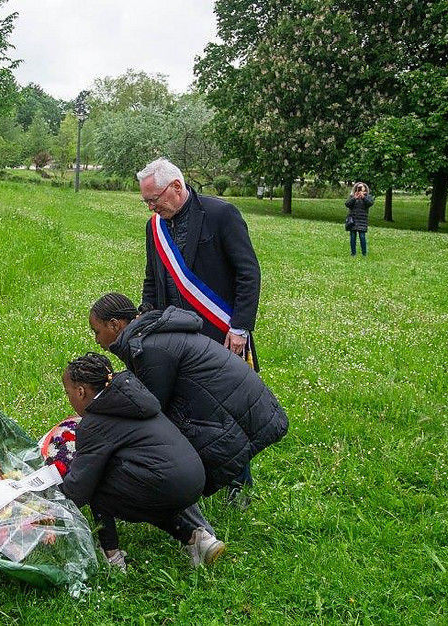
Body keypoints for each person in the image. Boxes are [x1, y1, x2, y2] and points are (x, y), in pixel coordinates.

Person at [87, 293, 289, 505]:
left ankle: (237, 492)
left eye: (97, 332)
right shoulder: (147, 335)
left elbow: (150, 408)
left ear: (114, 325)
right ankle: (235, 487)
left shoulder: (150, 347)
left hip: (239, 404)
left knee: (195, 433)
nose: (96, 340)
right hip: (238, 399)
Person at [137, 157, 262, 497]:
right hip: (173, 335)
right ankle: (202, 475)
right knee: (185, 407)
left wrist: (239, 329)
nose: (151, 206)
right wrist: (146, 318)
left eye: (154, 199)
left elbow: (248, 274)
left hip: (219, 331)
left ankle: (240, 482)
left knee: (230, 409)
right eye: (146, 201)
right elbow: (153, 277)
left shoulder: (222, 214)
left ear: (176, 187)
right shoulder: (155, 227)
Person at [59, 352, 225, 571]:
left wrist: (47, 500)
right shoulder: (131, 397)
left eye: (67, 393)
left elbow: (79, 489)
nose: (68, 398)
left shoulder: (94, 424)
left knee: (98, 484)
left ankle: (112, 558)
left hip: (165, 482)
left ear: (81, 392)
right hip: (194, 477)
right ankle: (197, 538)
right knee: (142, 490)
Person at [345, 182, 374, 256]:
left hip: (362, 219)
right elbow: (347, 204)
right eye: (358, 187)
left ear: (365, 188)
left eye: (362, 187)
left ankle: (364, 253)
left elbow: (370, 203)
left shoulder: (368, 196)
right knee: (352, 237)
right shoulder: (352, 196)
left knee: (362, 237)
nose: (360, 188)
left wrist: (363, 197)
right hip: (353, 220)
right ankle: (353, 253)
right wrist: (355, 198)